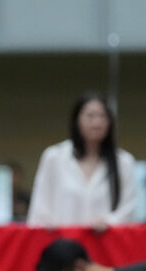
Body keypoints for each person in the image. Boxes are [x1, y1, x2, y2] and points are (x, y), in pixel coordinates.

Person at [28, 92, 140, 228]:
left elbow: (129, 209)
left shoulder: (124, 162)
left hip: (106, 239)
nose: (97, 122)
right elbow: (39, 208)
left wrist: (109, 221)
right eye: (90, 116)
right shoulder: (54, 157)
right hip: (62, 239)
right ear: (76, 120)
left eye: (103, 116)